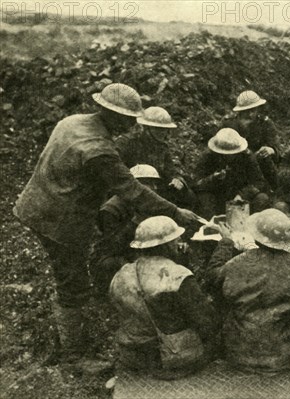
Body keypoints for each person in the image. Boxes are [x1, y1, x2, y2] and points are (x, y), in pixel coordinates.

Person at [12, 83, 200, 372]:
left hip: (37, 201)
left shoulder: (72, 122)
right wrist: (175, 211)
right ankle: (74, 357)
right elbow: (132, 191)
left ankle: (70, 338)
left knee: (69, 276)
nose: (132, 123)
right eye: (127, 118)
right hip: (59, 219)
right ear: (109, 113)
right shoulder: (99, 149)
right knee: (73, 282)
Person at [110, 216, 219, 379]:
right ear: (168, 244)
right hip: (172, 357)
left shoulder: (121, 274)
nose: (179, 242)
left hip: (133, 356)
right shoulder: (178, 276)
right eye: (176, 239)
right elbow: (207, 322)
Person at [207, 209, 290, 373]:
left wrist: (226, 242)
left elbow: (213, 277)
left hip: (239, 351)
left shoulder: (237, 264)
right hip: (286, 354)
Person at [89, 164, 162, 299]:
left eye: (155, 184)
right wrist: (135, 222)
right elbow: (112, 245)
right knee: (115, 265)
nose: (154, 189)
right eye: (150, 184)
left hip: (138, 248)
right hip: (111, 255)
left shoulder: (146, 203)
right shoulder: (111, 209)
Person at [115, 106, 197, 208]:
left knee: (188, 196)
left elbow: (170, 171)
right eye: (159, 129)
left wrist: (177, 179)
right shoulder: (127, 142)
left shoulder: (162, 147)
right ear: (146, 128)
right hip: (132, 186)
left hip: (156, 187)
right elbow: (115, 169)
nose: (164, 133)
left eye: (165, 130)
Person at [192, 128, 271, 218]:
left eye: (232, 153)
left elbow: (259, 182)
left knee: (262, 198)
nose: (229, 156)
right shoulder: (208, 157)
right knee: (204, 199)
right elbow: (196, 184)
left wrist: (242, 195)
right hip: (217, 196)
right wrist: (213, 178)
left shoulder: (247, 156)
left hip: (240, 197)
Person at [223, 90, 283, 189]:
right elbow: (218, 145)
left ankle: (274, 190)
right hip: (234, 163)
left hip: (259, 163)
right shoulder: (228, 123)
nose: (251, 114)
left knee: (266, 160)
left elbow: (277, 149)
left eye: (253, 110)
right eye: (246, 111)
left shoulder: (265, 123)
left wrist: (271, 150)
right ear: (240, 111)